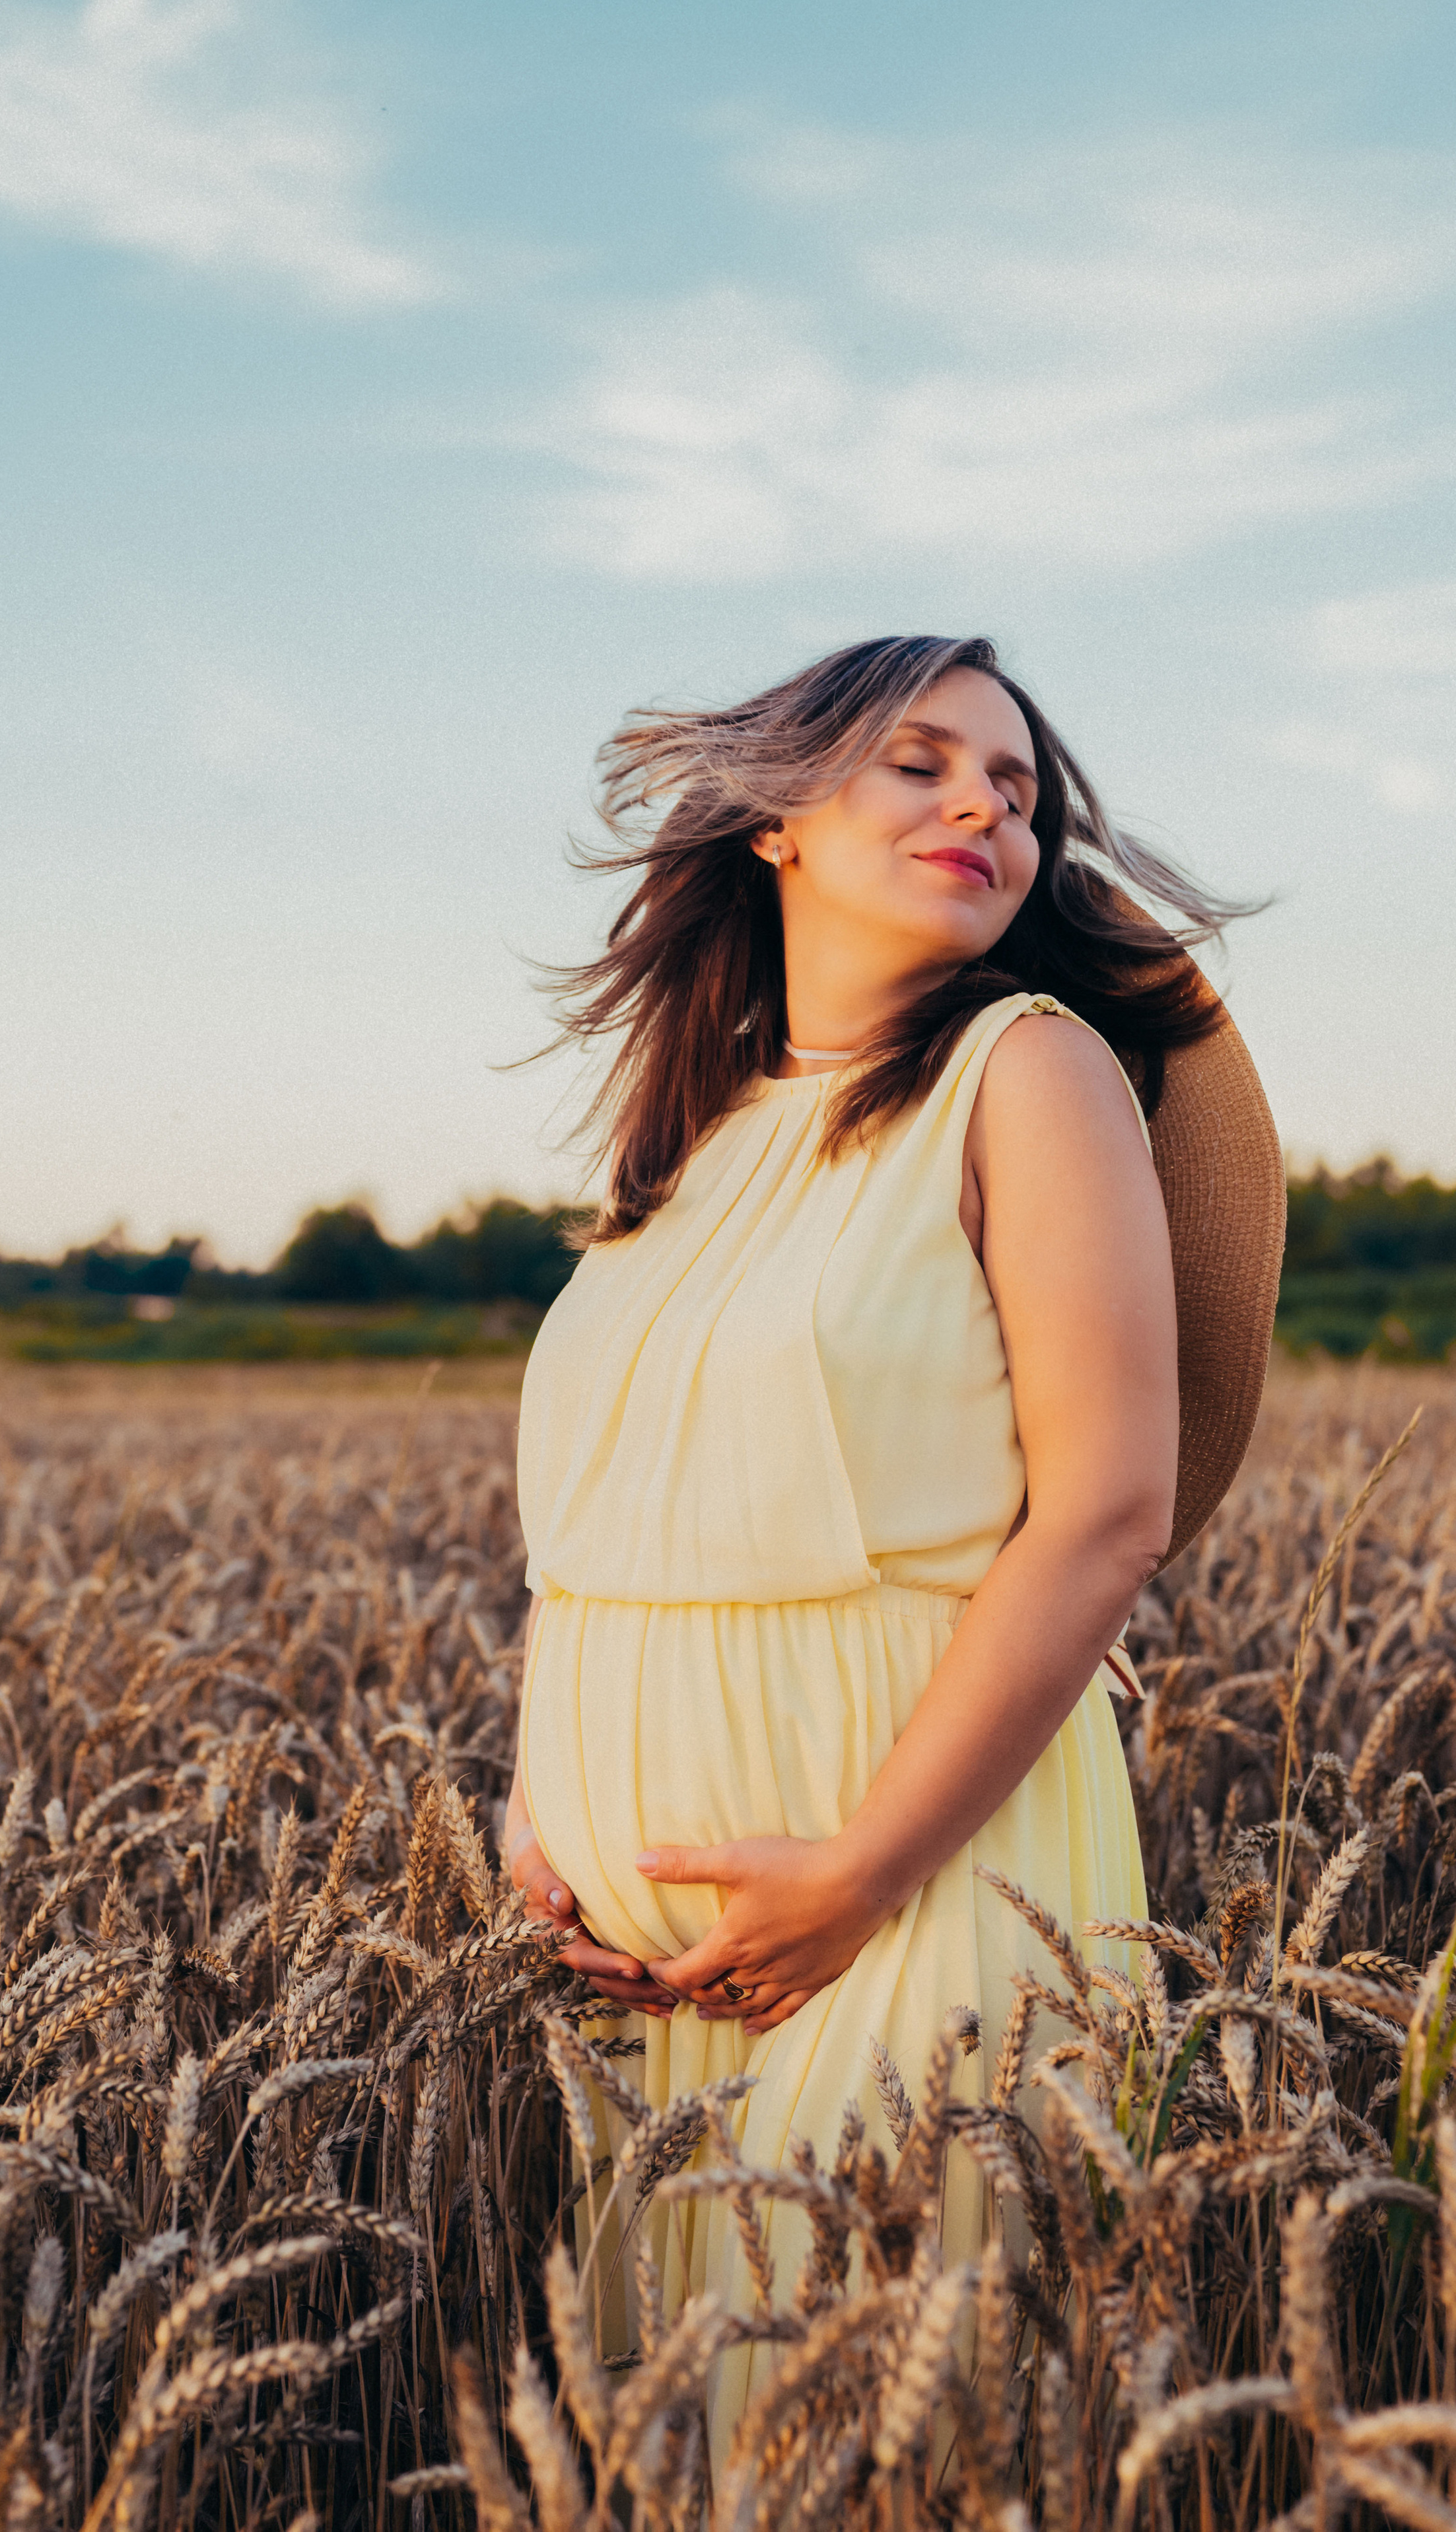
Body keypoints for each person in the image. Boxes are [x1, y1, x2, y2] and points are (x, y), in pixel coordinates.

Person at [502, 633, 1248, 2440]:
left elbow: (1108, 1509)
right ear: (779, 820)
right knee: (671, 2456)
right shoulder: (692, 1128)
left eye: (1017, 785)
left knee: (879, 2446)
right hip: (638, 1975)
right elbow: (605, 1516)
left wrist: (849, 1880)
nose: (984, 799)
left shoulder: (1030, 1068)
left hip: (915, 1891)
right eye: (919, 761)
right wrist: (540, 1793)